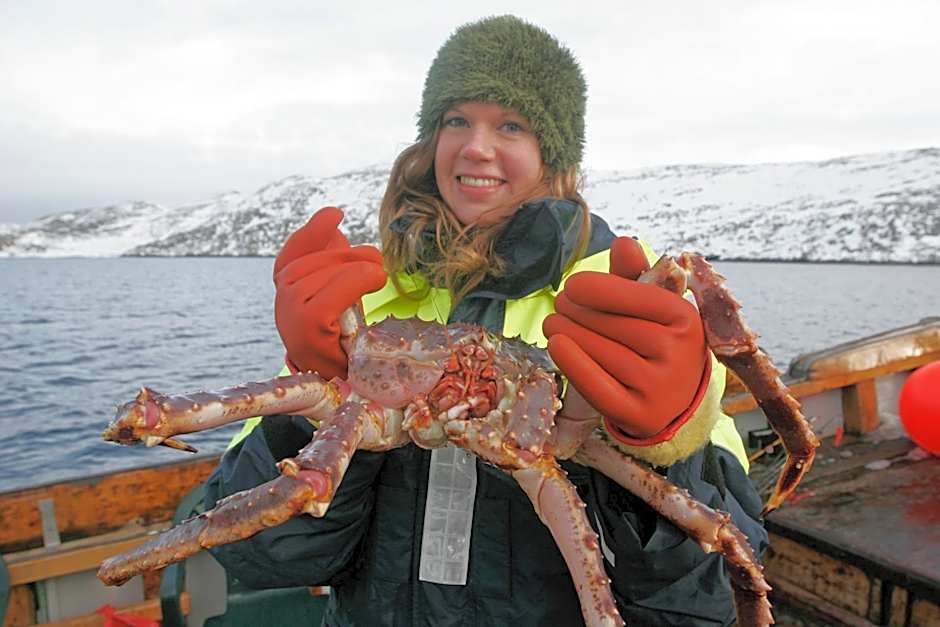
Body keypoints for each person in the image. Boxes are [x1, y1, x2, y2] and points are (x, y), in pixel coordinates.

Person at [206, 15, 768, 626]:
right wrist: (308, 409)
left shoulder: (633, 305)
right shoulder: (366, 301)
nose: (477, 147)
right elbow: (263, 559)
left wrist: (669, 446)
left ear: (553, 156)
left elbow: (704, 600)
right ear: (431, 141)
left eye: (510, 125)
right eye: (456, 121)